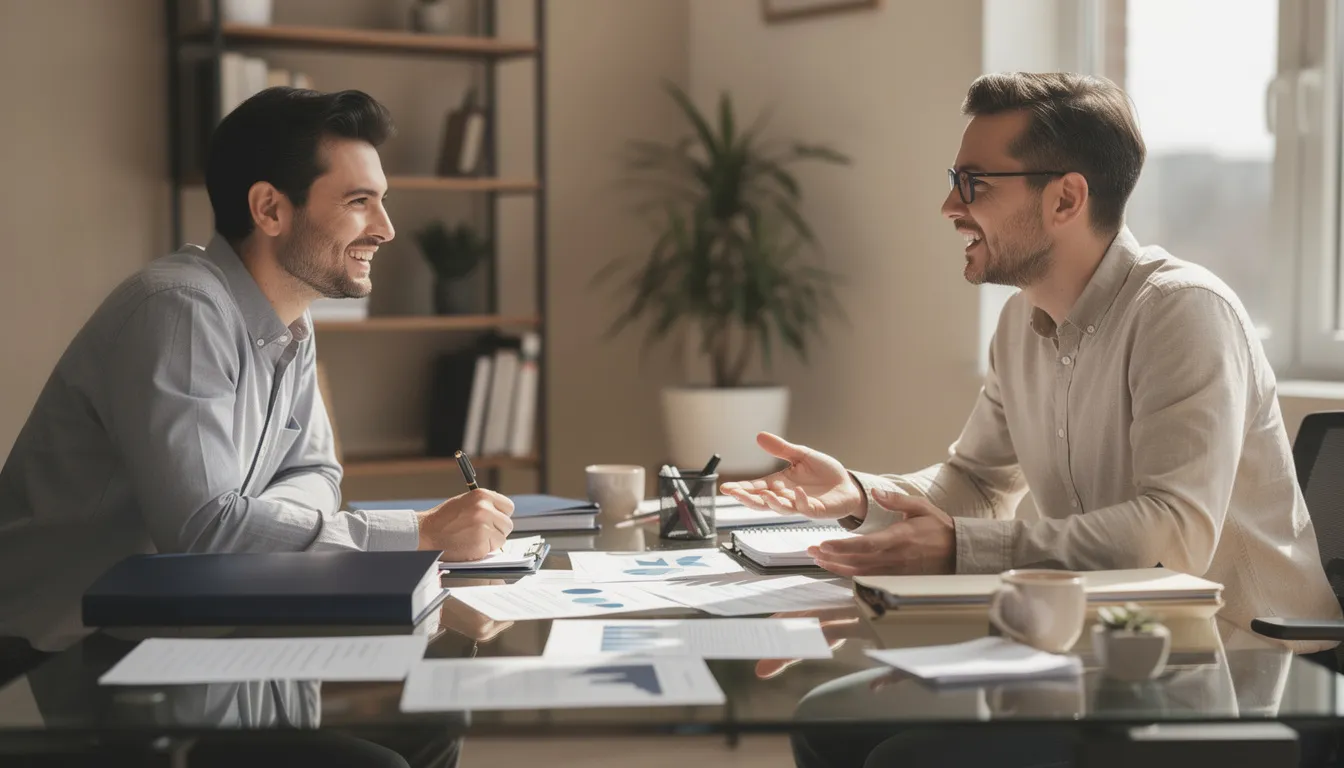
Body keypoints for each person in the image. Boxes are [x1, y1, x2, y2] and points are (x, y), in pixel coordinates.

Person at [722, 72, 1342, 766]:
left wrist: (964, 547)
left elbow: (1174, 537)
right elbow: (977, 481)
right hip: (1095, 656)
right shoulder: (1022, 323)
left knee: (909, 757)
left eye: (974, 183)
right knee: (829, 720)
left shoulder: (1184, 313)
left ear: (1066, 197)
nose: (949, 205)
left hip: (1237, 679)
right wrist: (862, 495)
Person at [0, 87, 515, 664]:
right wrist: (419, 532)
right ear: (270, 209)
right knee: (401, 737)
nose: (387, 228)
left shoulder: (290, 316)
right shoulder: (179, 310)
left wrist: (256, 518)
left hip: (188, 627)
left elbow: (317, 471)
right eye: (359, 201)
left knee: (429, 719)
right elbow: (207, 532)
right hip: (55, 654)